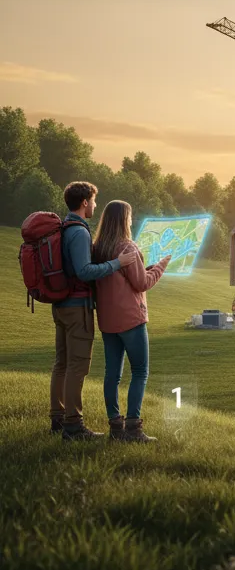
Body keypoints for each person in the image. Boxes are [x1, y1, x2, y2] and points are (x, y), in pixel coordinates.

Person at [50, 181, 137, 440]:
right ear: (85, 202)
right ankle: (73, 426)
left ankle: (57, 418)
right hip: (77, 307)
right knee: (77, 366)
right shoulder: (79, 232)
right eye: (94, 201)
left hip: (62, 305)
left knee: (62, 364)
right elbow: (84, 271)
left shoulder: (65, 228)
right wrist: (116, 263)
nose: (96, 205)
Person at [93, 200, 170, 443]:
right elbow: (142, 284)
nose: (131, 220)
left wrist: (144, 269)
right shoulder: (127, 246)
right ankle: (133, 430)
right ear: (124, 219)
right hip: (131, 320)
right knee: (139, 372)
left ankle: (115, 428)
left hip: (107, 321)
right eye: (130, 216)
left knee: (112, 375)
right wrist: (159, 267)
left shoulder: (98, 248)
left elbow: (123, 277)